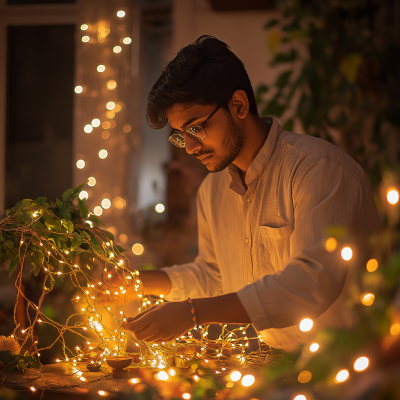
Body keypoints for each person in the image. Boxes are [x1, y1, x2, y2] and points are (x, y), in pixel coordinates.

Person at [113, 35, 380, 351]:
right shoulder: (213, 191)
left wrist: (192, 313)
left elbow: (311, 282)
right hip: (276, 367)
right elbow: (215, 275)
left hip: (352, 368)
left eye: (196, 128)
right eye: (180, 136)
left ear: (238, 105)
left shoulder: (318, 168)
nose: (190, 147)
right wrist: (137, 284)